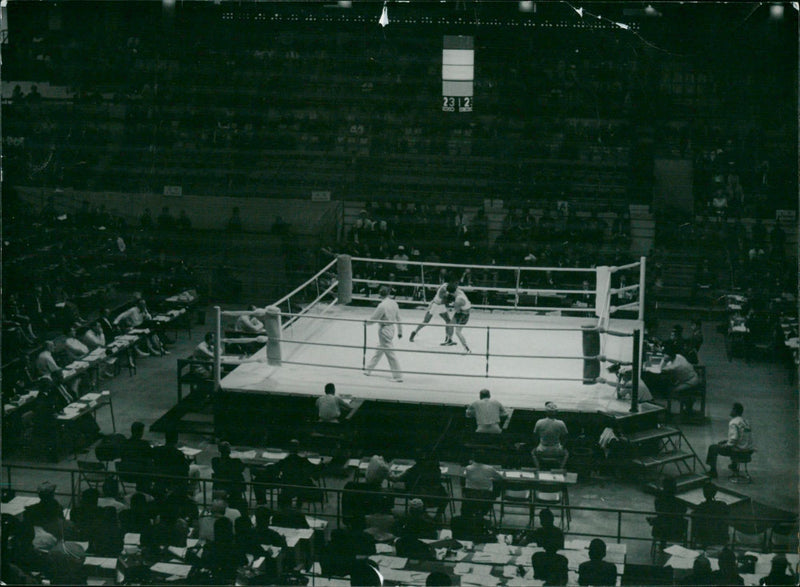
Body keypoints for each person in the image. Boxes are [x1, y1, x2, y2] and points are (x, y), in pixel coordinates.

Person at [364, 285, 403, 383]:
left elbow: (373, 319)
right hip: (391, 328)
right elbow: (398, 318)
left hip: (384, 329)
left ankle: (398, 376)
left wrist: (366, 323)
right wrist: (400, 331)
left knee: (390, 353)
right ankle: (369, 369)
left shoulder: (382, 305)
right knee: (379, 349)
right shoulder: (394, 303)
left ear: (379, 294)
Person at [705, 402, 753, 478]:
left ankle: (712, 472)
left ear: (735, 411)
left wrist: (725, 445)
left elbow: (734, 439)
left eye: (732, 409)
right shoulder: (746, 422)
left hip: (738, 452)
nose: (730, 411)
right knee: (728, 443)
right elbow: (742, 437)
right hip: (748, 451)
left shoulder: (733, 422)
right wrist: (727, 441)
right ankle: (734, 465)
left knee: (713, 448)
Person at [275, 439, 323, 508]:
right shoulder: (303, 461)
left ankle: (286, 509)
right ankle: (298, 507)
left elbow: (275, 472)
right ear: (298, 448)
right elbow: (315, 476)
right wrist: (321, 466)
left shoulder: (284, 461)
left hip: (287, 489)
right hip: (301, 488)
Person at [409, 275, 457, 345]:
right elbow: (442, 300)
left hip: (440, 305)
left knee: (448, 321)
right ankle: (414, 332)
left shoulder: (446, 285)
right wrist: (450, 301)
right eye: (455, 283)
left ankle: (448, 338)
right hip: (436, 305)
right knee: (426, 321)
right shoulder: (444, 288)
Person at [659, 343, 702, 415]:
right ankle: (688, 404)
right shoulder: (679, 356)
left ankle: (686, 405)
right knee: (673, 385)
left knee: (672, 391)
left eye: (665, 354)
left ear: (669, 355)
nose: (664, 356)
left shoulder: (674, 366)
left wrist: (664, 361)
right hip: (692, 377)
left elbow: (661, 369)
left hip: (690, 382)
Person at [462, 452, 503, 518]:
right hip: (485, 499)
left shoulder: (468, 468)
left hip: (470, 498)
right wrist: (492, 478)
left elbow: (464, 476)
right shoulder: (490, 469)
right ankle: (481, 514)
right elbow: (500, 478)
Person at [651, 476, 687, 550]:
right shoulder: (680, 503)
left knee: (662, 522)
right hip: (677, 531)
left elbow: (658, 512)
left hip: (661, 530)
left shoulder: (658, 501)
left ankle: (662, 544)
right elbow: (683, 512)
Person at [691, 483, 730, 547]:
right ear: (715, 492)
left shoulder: (700, 507)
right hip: (719, 536)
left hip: (704, 536)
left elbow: (693, 517)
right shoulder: (722, 505)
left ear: (704, 493)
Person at [532, 402, 569, 469]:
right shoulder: (561, 423)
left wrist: (538, 445)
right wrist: (562, 446)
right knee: (566, 453)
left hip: (542, 449)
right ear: (556, 412)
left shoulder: (539, 422)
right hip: (556, 449)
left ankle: (538, 468)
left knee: (533, 452)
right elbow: (565, 437)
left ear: (546, 412)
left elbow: (535, 436)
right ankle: (561, 468)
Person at [211, 441, 247, 511]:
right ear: (229, 451)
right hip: (232, 488)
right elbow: (241, 468)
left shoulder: (214, 461)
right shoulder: (236, 462)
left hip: (220, 486)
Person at [446, 283, 472, 353]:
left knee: (458, 332)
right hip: (463, 310)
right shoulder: (458, 290)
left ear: (451, 293)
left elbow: (457, 311)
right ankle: (450, 340)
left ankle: (466, 348)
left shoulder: (458, 300)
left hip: (464, 314)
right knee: (450, 324)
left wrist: (453, 305)